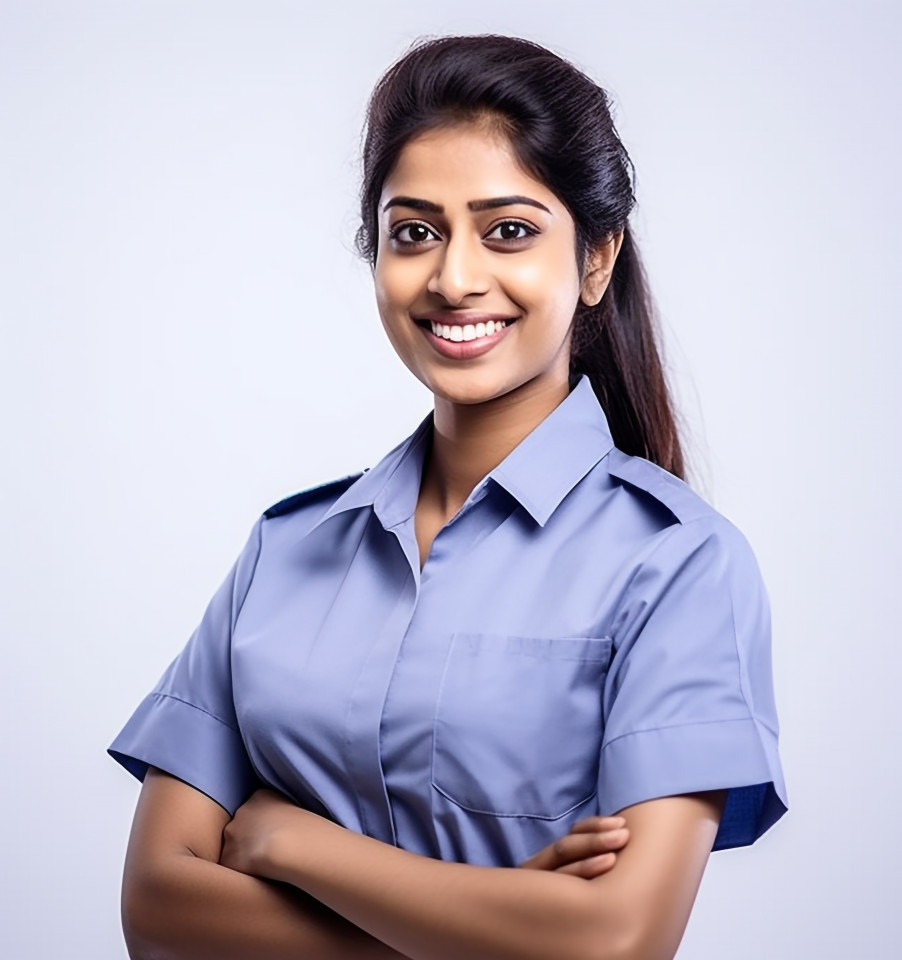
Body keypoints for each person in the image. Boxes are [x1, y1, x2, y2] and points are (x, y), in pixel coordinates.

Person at [107, 33, 788, 960]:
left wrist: (296, 845)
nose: (453, 277)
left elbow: (613, 943)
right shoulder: (286, 550)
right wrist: (499, 926)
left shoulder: (677, 564)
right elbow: (156, 910)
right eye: (414, 232)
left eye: (508, 230)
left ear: (595, 261)